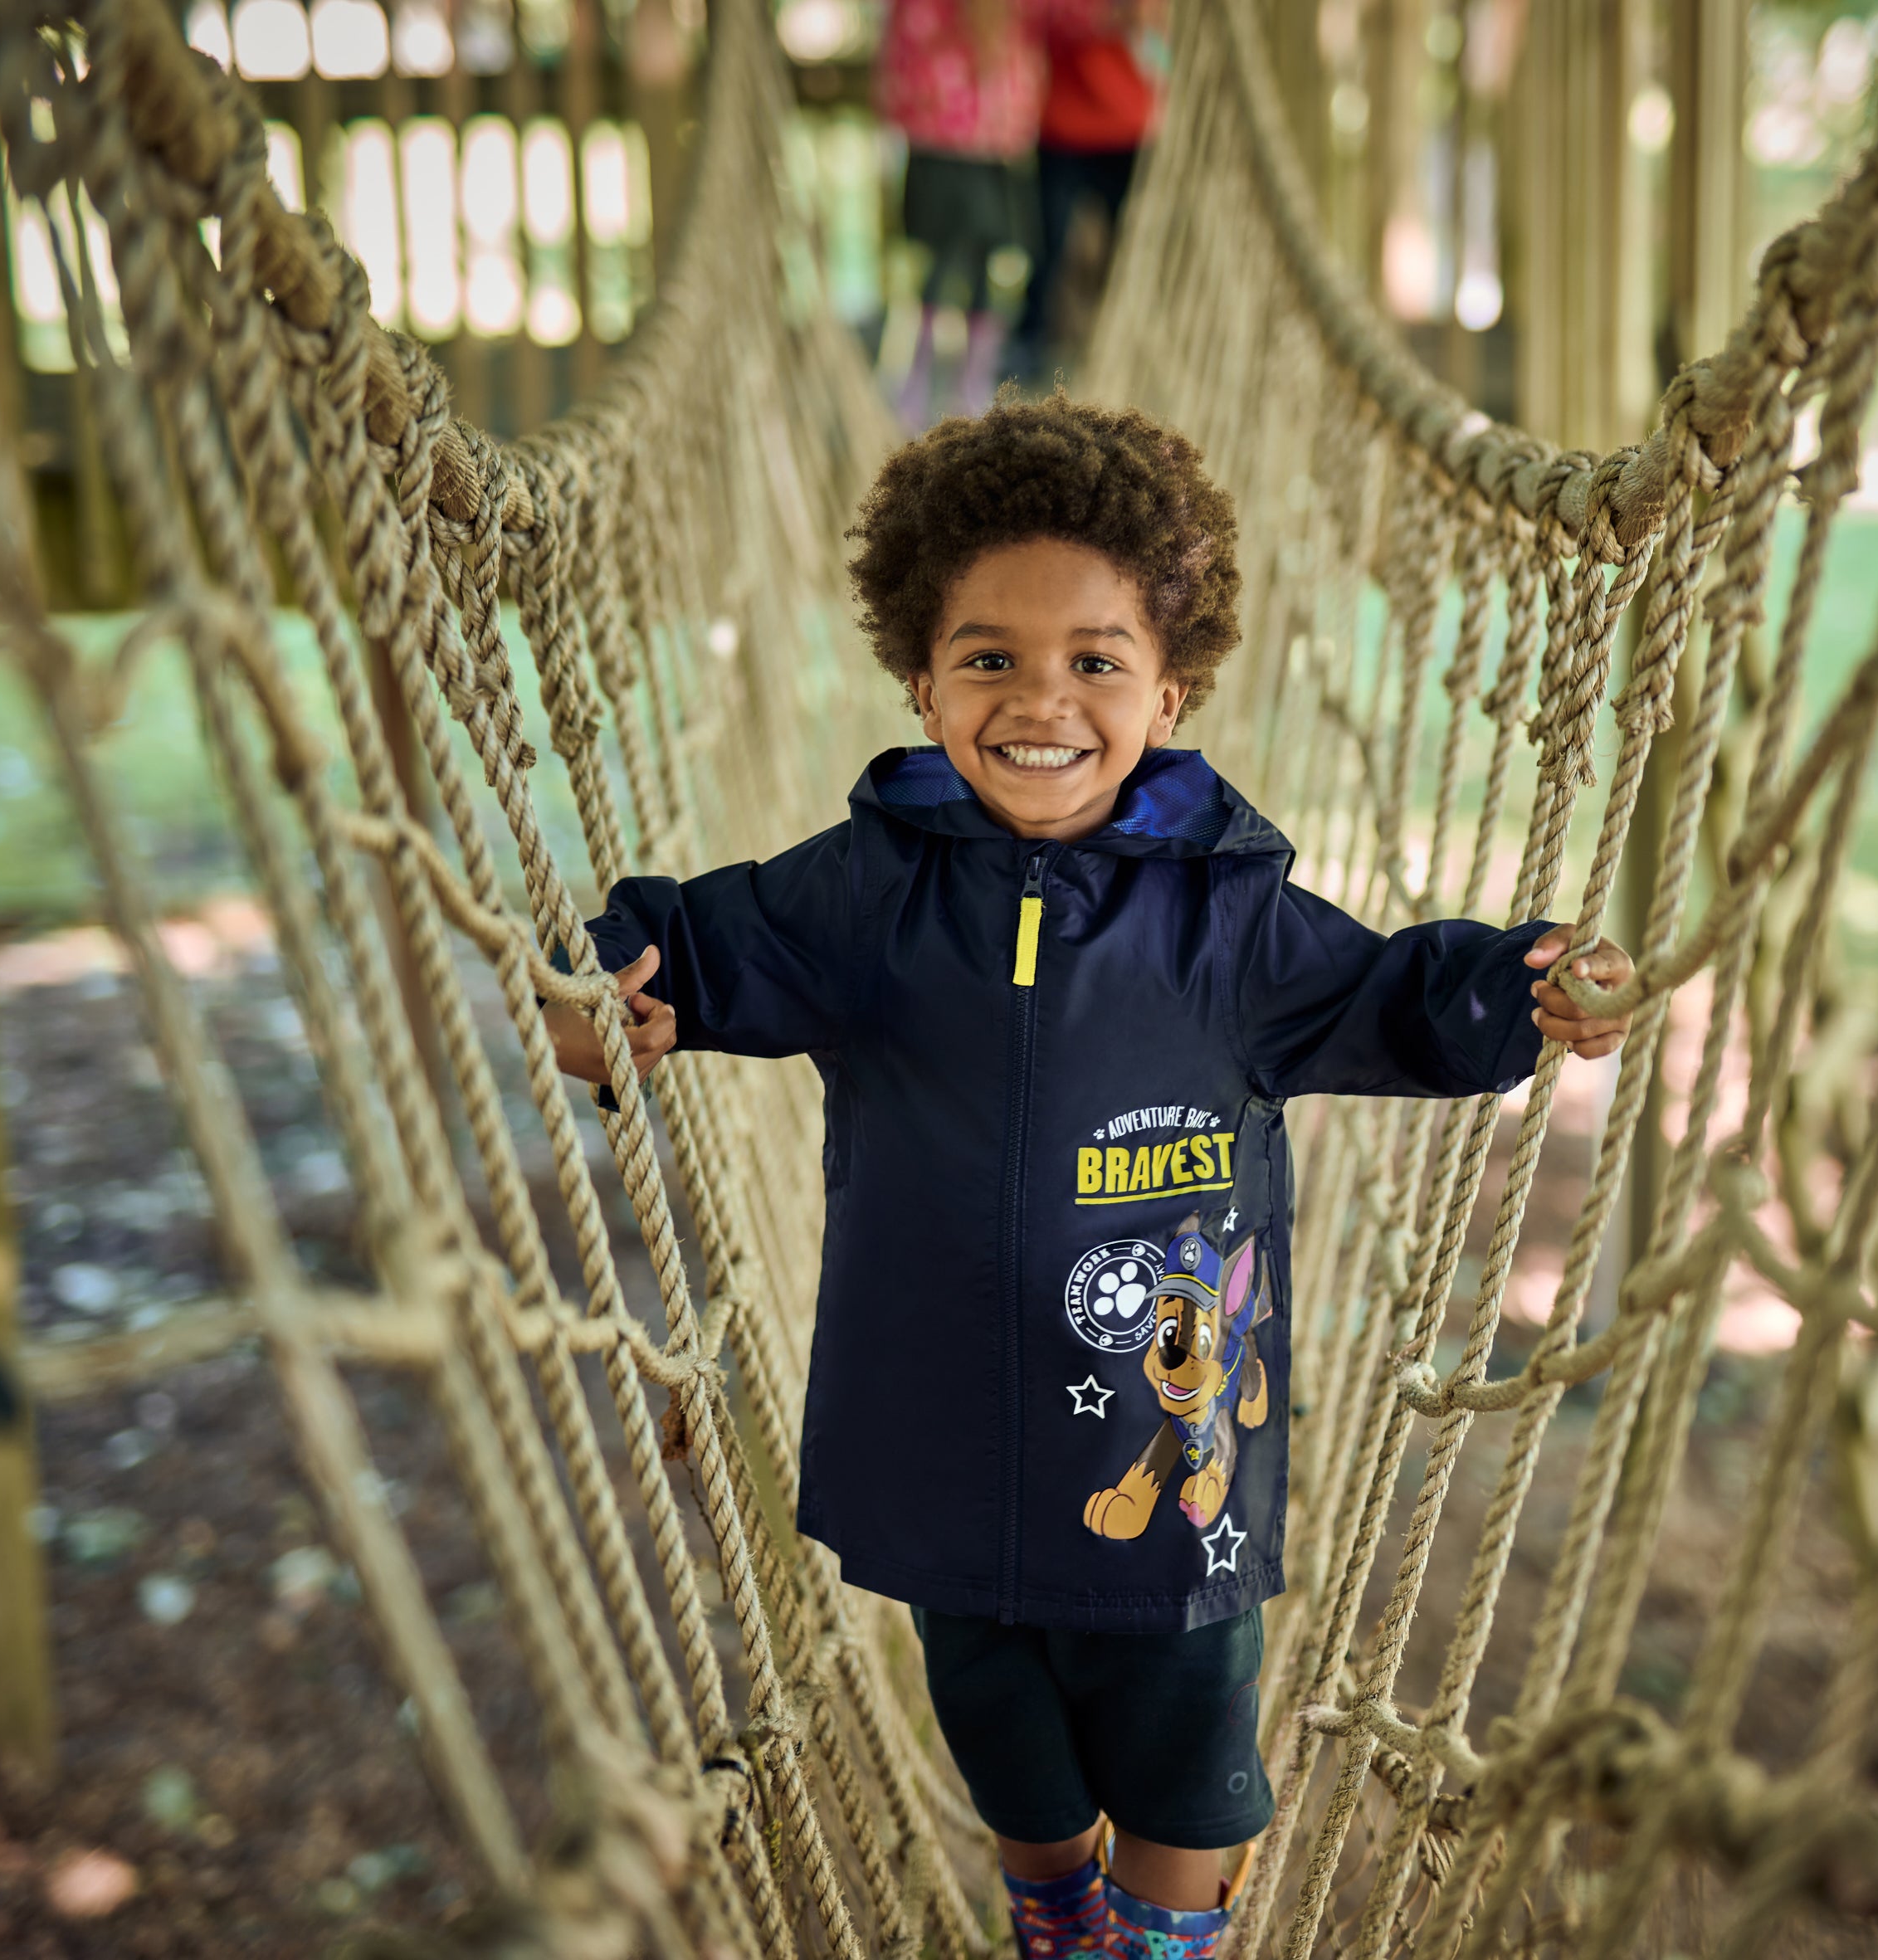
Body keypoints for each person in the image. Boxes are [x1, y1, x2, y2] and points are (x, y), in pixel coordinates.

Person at [545, 398, 1632, 1960]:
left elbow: (1394, 993)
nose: (1038, 697)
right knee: (1004, 1743)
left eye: (1094, 661)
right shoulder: (865, 892)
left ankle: (1150, 1941)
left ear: (1168, 691)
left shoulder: (1230, 922)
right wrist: (605, 994)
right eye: (988, 657)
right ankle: (1053, 1908)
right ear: (919, 683)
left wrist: (1525, 987)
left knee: (1189, 1774)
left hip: (1162, 1470)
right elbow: (692, 953)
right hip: (940, 1450)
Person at [876, 0, 1047, 424]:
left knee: (990, 263)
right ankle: (918, 377)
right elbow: (898, 58)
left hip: (996, 148)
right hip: (940, 143)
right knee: (935, 264)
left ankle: (972, 383)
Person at [1012, 0, 1161, 380]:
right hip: (1062, 130)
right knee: (1048, 244)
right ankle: (1031, 344)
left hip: (1128, 129)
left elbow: (1153, 27)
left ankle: (1132, 338)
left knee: (1132, 248)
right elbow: (1035, 21)